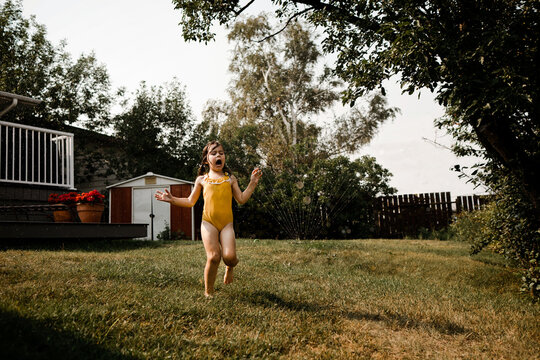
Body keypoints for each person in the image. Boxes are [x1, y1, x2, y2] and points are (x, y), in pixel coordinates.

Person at [155, 141, 262, 298]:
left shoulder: (230, 179)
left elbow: (241, 199)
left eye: (221, 153)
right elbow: (190, 201)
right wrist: (172, 199)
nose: (218, 155)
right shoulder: (201, 180)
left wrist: (252, 183)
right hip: (208, 223)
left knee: (230, 257)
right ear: (206, 160)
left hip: (226, 224)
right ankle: (208, 293)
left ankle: (230, 267)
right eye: (213, 153)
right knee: (213, 257)